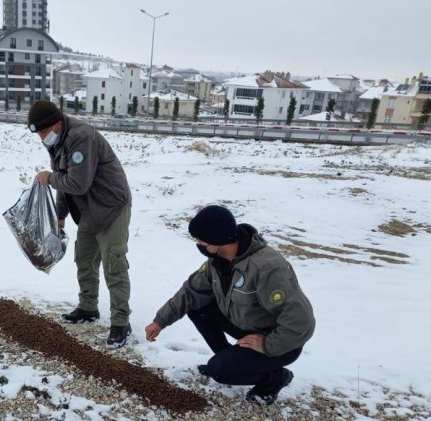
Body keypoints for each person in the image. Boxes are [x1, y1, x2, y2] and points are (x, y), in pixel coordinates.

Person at [145, 205, 315, 405]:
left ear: (219, 239)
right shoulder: (218, 261)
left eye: (202, 241)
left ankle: (274, 378)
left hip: (281, 342)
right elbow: (191, 291)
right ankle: (232, 360)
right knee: (198, 308)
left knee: (219, 371)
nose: (198, 244)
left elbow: (302, 322)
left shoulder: (267, 267)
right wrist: (160, 321)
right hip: (246, 327)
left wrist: (267, 345)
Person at [28, 99, 133, 349]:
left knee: (113, 264)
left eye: (44, 131)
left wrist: (49, 178)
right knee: (84, 260)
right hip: (88, 209)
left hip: (112, 206)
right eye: (39, 133)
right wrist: (61, 213)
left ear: (57, 122)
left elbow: (77, 183)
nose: (42, 138)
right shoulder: (58, 141)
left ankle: (121, 322)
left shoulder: (81, 137)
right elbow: (65, 177)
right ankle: (88, 308)